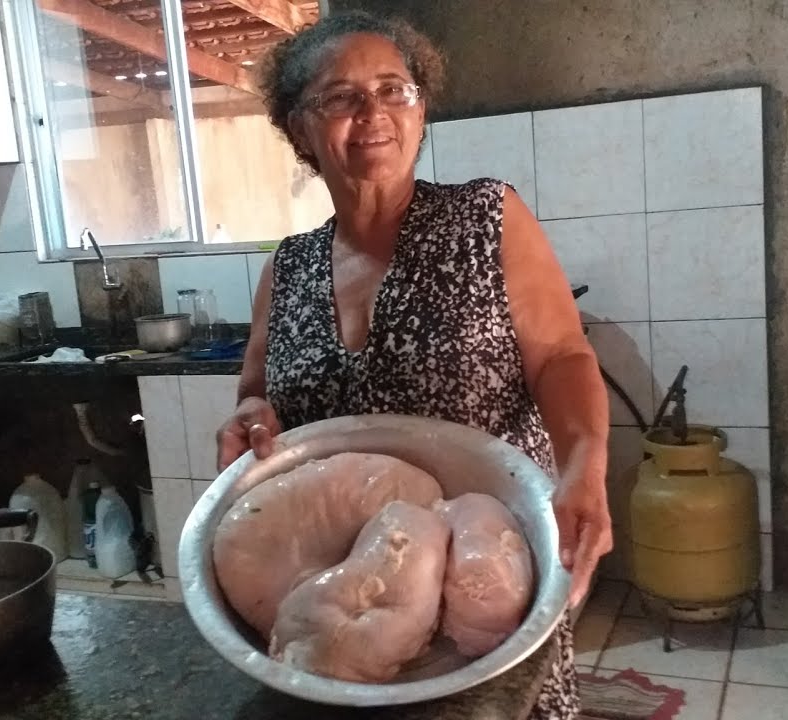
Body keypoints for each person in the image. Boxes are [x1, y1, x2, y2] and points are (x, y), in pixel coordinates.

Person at [214, 10, 612, 718]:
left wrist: (586, 462)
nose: (373, 113)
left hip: (487, 583)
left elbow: (561, 355)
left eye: (394, 90)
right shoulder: (289, 266)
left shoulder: (486, 218)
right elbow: (258, 396)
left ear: (421, 109)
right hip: (349, 597)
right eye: (341, 97)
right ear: (299, 130)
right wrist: (252, 417)